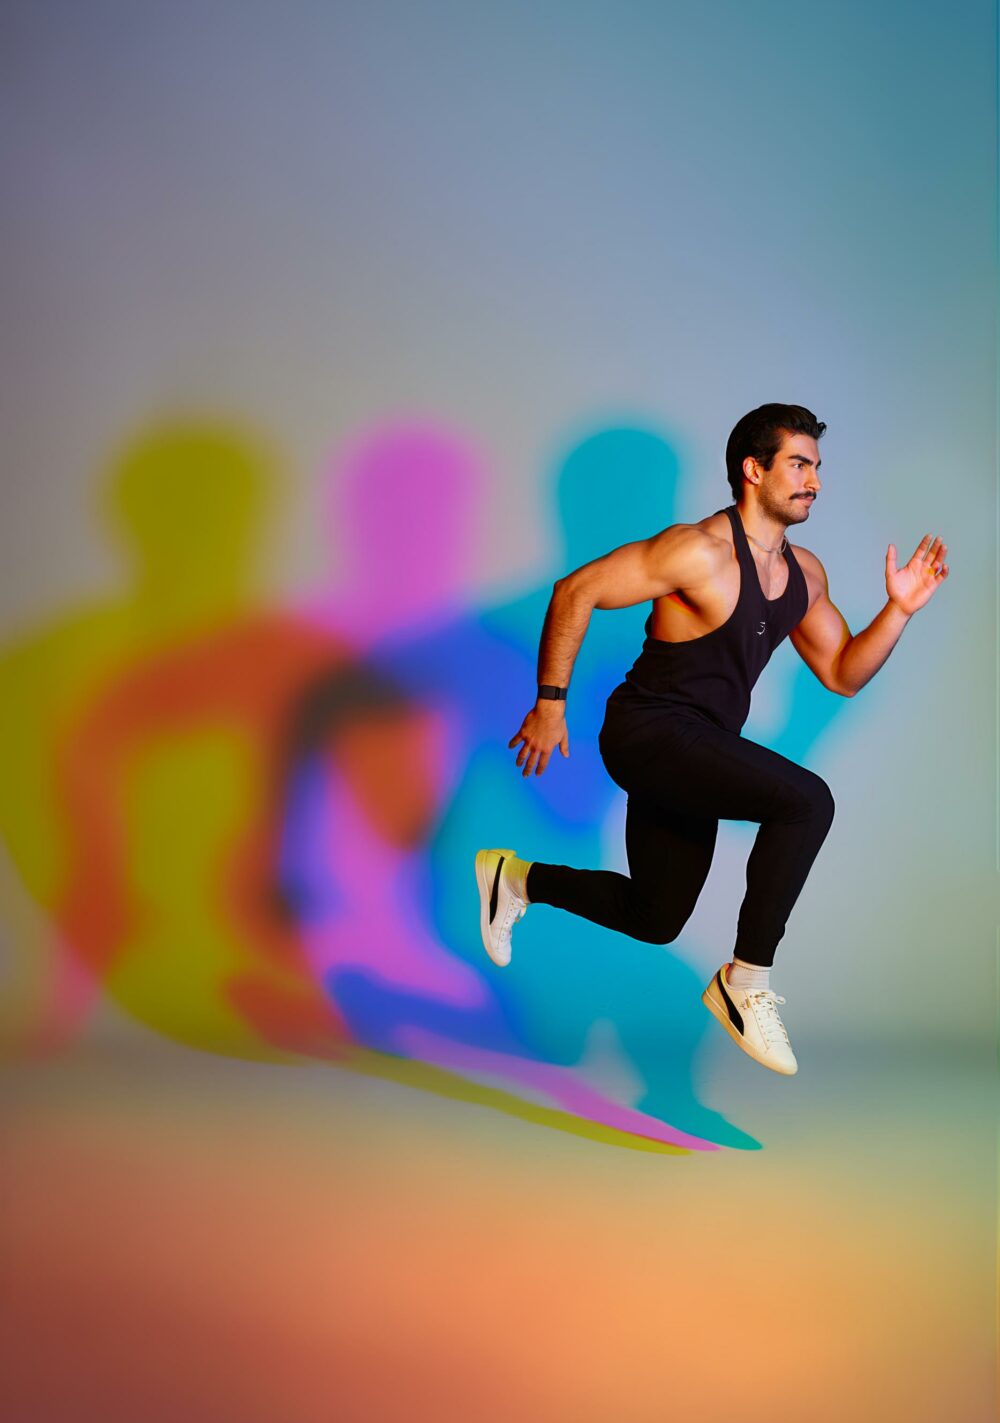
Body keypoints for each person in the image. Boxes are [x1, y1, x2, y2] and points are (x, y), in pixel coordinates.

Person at [475, 403, 949, 1075]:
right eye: (799, 465)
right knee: (807, 801)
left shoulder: (805, 575)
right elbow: (576, 590)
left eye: (816, 467)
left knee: (655, 915)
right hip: (647, 731)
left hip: (697, 750)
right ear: (754, 470)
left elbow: (843, 672)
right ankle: (744, 981)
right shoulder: (697, 551)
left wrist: (898, 610)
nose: (814, 481)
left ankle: (515, 878)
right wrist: (550, 706)